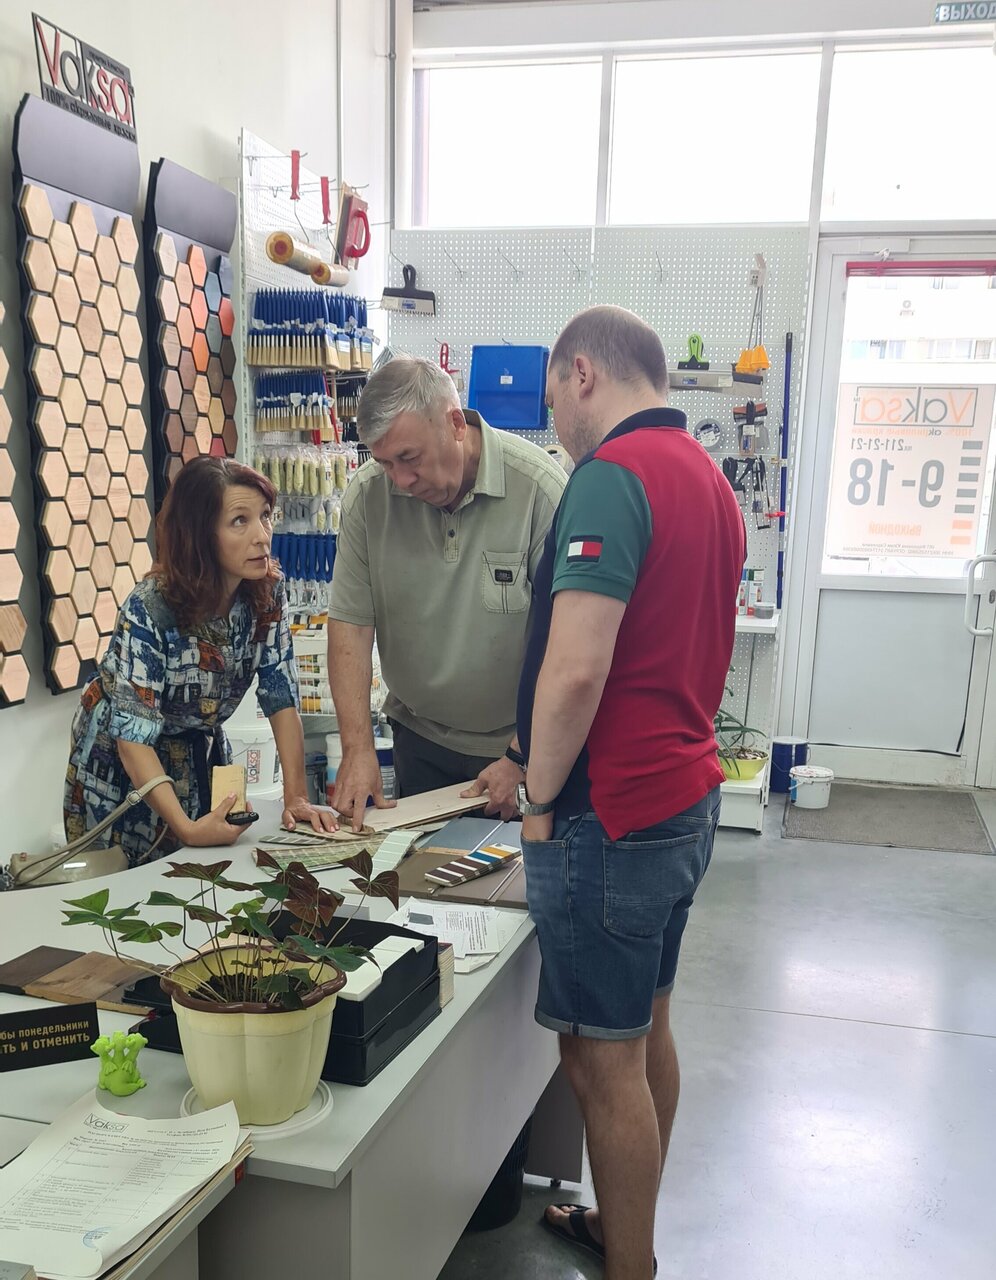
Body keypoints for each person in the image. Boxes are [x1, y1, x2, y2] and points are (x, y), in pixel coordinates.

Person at [516, 306, 746, 1279]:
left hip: (610, 815)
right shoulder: (709, 479)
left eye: (553, 401)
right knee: (647, 1029)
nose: (556, 425)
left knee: (598, 1059)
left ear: (582, 374)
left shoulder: (612, 476)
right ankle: (627, 1231)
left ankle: (632, 1266)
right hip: (685, 798)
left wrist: (537, 795)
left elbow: (577, 670)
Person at [327, 356, 566, 831]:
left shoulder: (540, 491)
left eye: (409, 458)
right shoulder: (368, 497)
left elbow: (569, 646)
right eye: (385, 462)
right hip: (420, 742)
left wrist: (522, 754)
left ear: (456, 424)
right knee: (417, 874)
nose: (400, 480)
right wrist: (357, 748)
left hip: (519, 749)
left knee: (518, 877)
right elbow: (350, 625)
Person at [64, 457, 335, 866]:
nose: (262, 536)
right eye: (239, 521)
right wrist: (186, 828)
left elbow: (281, 696)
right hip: (122, 762)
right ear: (199, 534)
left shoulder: (267, 593)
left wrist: (296, 797)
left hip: (196, 748)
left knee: (202, 875)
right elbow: (132, 739)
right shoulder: (150, 607)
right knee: (124, 880)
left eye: (265, 516)